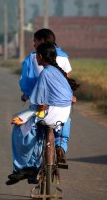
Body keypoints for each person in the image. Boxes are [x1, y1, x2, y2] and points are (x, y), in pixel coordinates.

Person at [6, 42, 80, 185]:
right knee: (37, 120)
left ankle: (24, 167)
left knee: (20, 124)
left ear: (40, 56)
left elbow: (37, 100)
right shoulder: (59, 72)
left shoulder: (45, 73)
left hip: (50, 114)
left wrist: (36, 103)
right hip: (64, 114)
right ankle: (59, 148)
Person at [19, 28, 73, 163]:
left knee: (31, 127)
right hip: (62, 104)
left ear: (42, 42)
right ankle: (61, 146)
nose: (33, 44)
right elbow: (66, 80)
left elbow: (28, 81)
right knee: (66, 119)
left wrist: (26, 94)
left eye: (35, 41)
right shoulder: (64, 57)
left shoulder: (33, 57)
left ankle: (32, 162)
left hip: (42, 103)